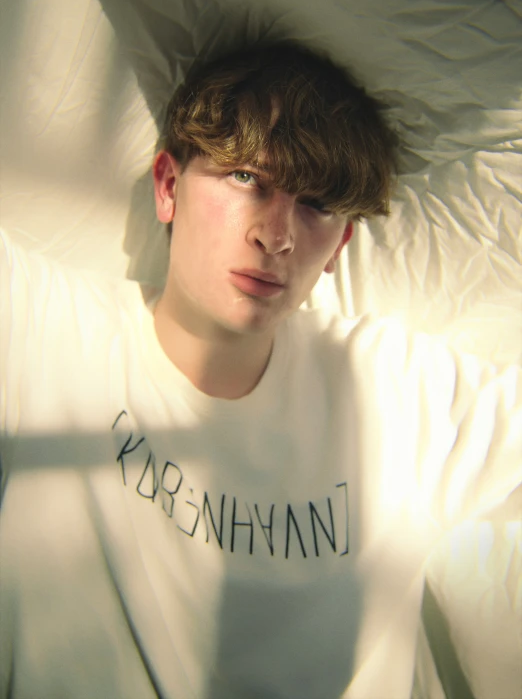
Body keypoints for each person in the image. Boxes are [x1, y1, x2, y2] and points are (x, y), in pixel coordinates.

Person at [0, 41, 519, 699]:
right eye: (247, 177)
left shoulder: (393, 388)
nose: (276, 235)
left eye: (316, 205)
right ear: (167, 186)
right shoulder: (44, 327)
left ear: (341, 246)